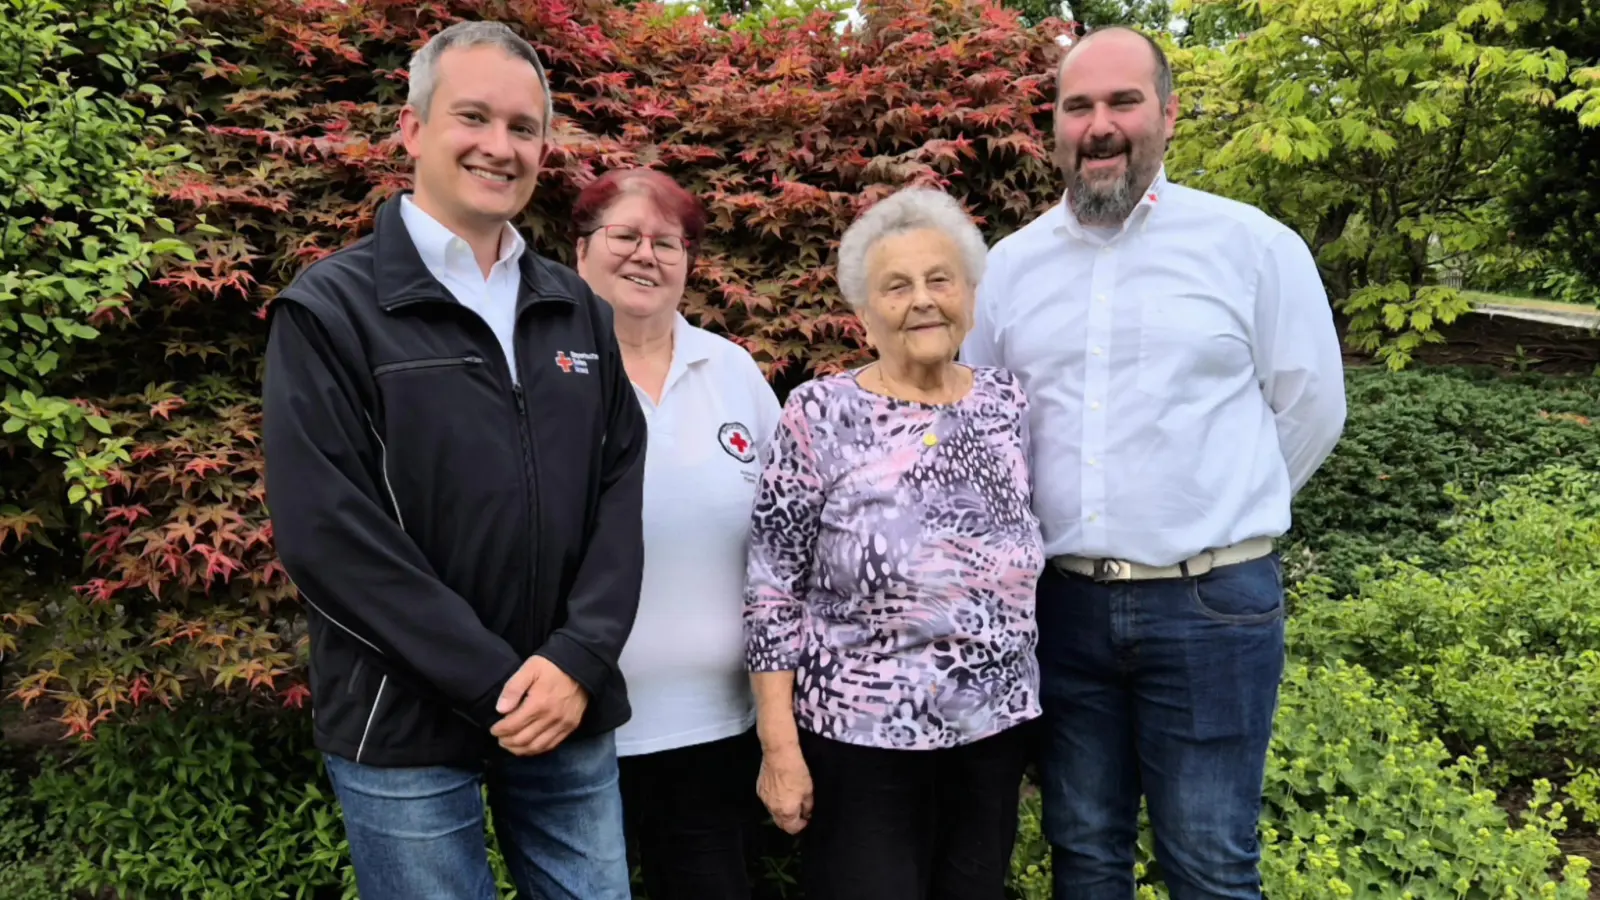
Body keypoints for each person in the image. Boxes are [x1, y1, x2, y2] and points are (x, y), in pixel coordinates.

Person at [260, 21, 647, 900]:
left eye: (523, 127)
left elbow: (619, 490)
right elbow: (327, 534)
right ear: (413, 128)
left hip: (567, 707)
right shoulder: (330, 312)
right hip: (403, 724)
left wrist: (579, 658)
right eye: (473, 116)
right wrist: (496, 684)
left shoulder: (575, 311)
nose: (499, 147)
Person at [962, 25, 1348, 900]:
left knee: (1209, 865)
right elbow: (989, 428)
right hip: (1061, 612)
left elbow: (1313, 407)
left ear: (1168, 116)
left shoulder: (1252, 248)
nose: (1100, 125)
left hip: (1211, 610)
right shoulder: (1010, 270)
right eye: (1078, 106)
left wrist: (1220, 507)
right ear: (1054, 127)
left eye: (1124, 101)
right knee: (1084, 853)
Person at [744, 185, 1046, 900]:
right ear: (863, 311)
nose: (922, 300)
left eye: (940, 279)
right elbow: (771, 588)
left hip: (993, 733)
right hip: (860, 741)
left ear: (970, 294)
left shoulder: (1007, 404)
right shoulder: (818, 413)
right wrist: (778, 744)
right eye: (896, 285)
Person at [570, 167, 781, 900]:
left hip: (718, 724)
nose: (646, 255)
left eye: (668, 242)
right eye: (624, 236)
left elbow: (787, 540)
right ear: (581, 253)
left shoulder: (732, 371)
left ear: (689, 262)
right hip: (581, 724)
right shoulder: (544, 374)